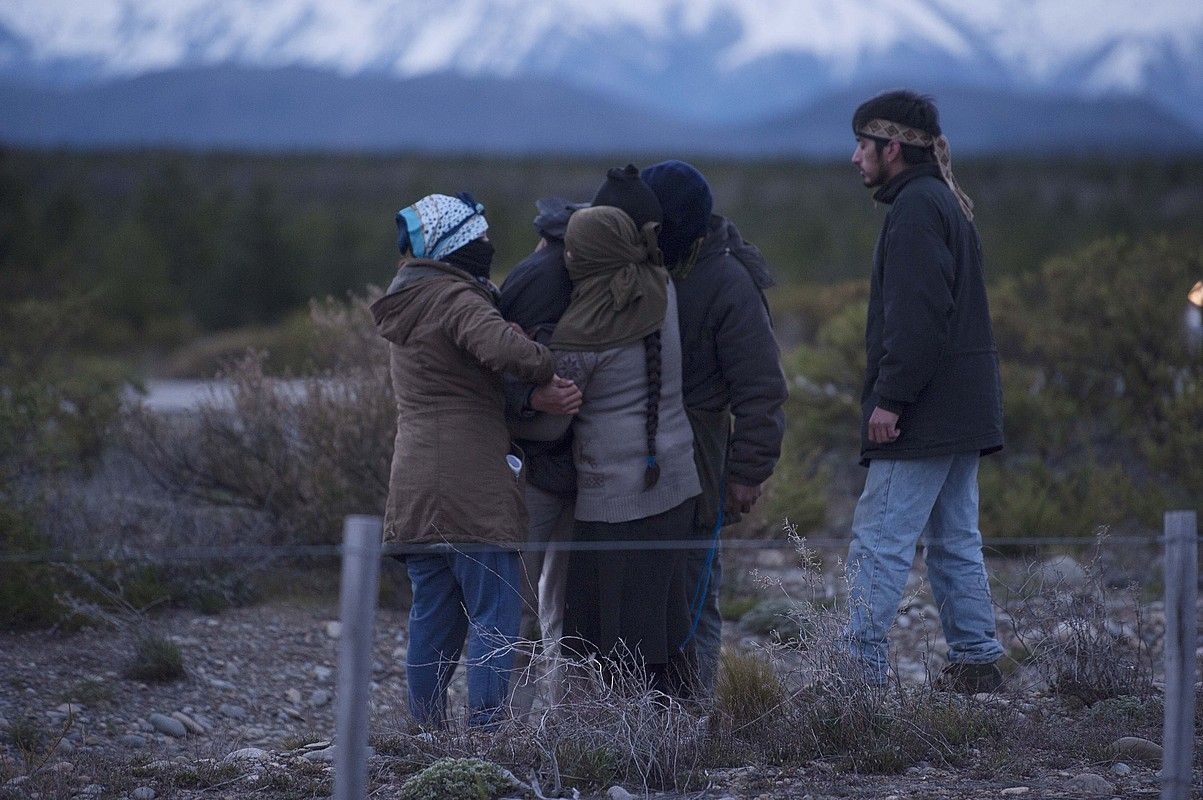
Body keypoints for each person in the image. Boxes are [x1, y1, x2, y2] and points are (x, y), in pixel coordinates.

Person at [370, 192, 571, 726]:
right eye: (479, 238)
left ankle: (426, 736)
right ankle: (487, 737)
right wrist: (542, 357)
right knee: (496, 614)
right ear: (457, 244)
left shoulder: (409, 299)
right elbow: (505, 352)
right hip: (470, 483)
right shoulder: (455, 298)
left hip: (413, 481)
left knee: (431, 618)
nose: (487, 245)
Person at [844, 89, 1005, 691]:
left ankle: (856, 681)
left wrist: (891, 400)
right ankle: (977, 661)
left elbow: (919, 317)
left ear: (893, 148)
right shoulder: (942, 202)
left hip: (924, 414)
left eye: (863, 144)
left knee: (879, 541)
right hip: (961, 410)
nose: (855, 157)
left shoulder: (915, 210)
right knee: (954, 539)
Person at [534, 191, 702, 694]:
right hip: (676, 482)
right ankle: (676, 728)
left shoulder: (580, 335)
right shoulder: (662, 285)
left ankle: (621, 738)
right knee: (664, 621)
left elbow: (550, 423)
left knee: (606, 633)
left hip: (613, 500)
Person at [640, 160, 788, 699]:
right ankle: (636, 715)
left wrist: (746, 473)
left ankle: (691, 715)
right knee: (640, 589)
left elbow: (760, 388)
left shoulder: (728, 281)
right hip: (629, 459)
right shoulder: (640, 267)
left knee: (695, 593)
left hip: (700, 458)